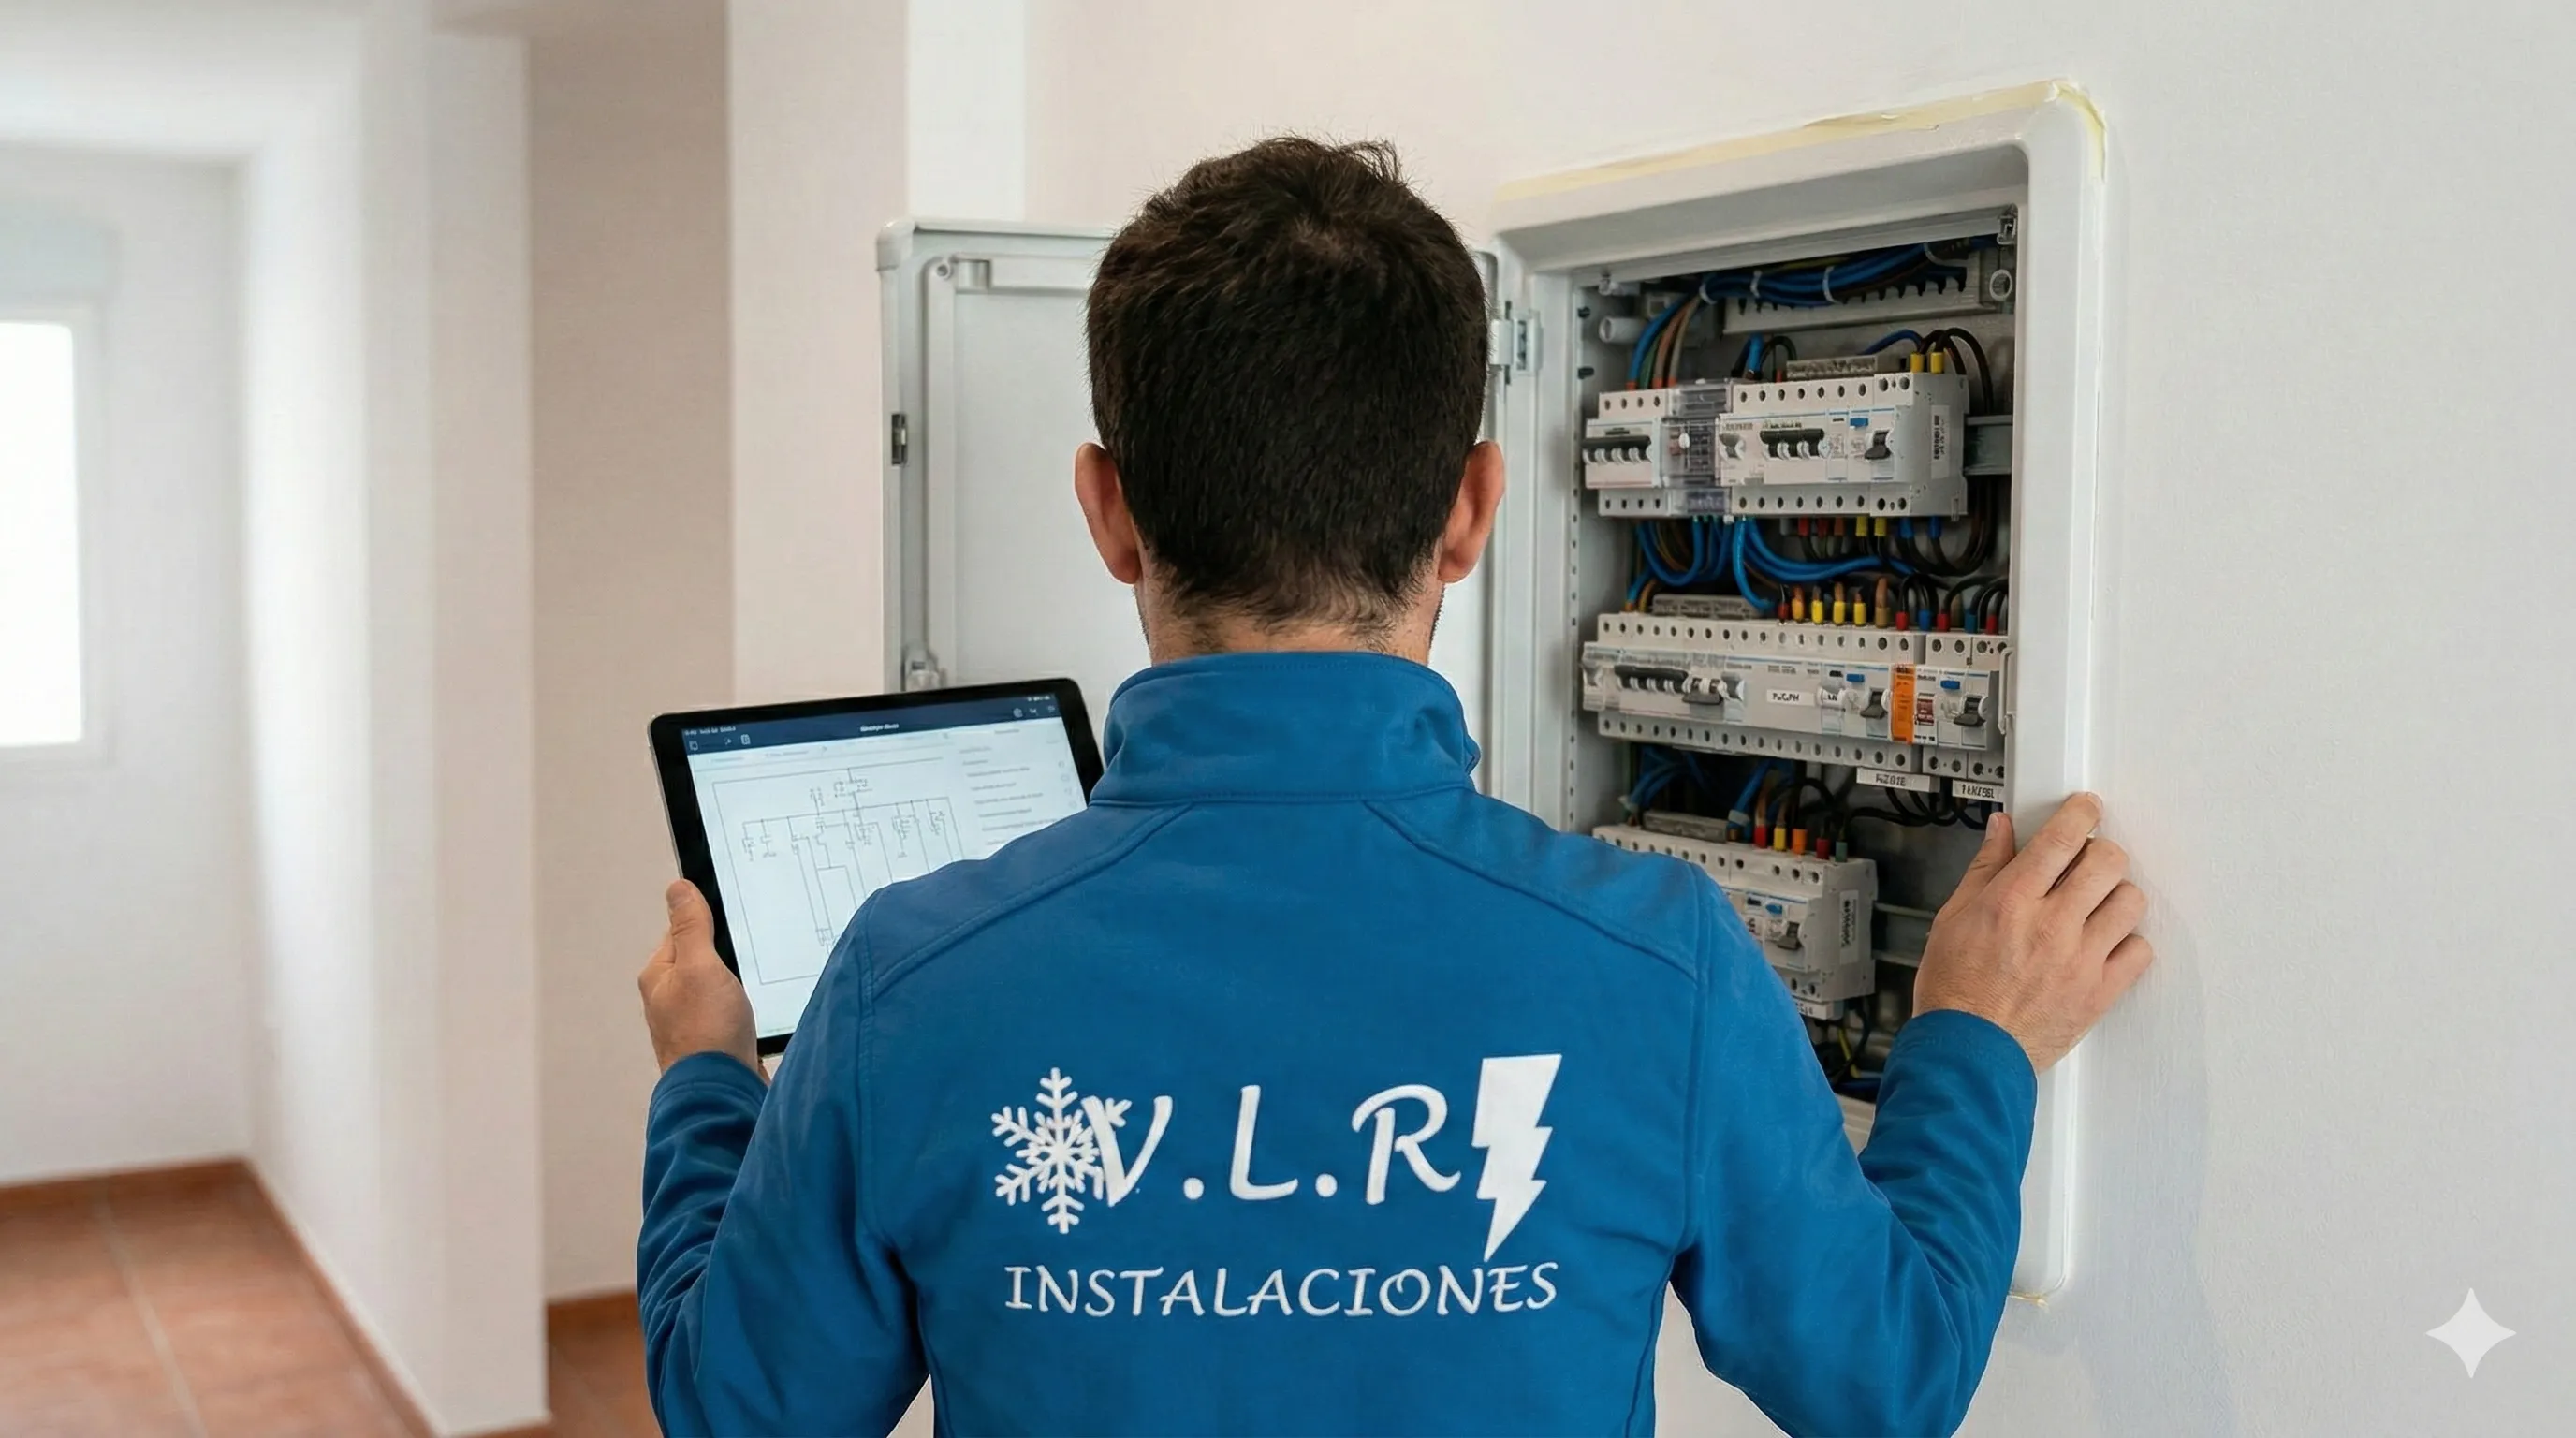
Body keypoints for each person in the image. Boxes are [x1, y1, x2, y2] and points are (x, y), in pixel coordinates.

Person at [632, 138, 2150, 1438]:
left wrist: (707, 1079)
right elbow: (1884, 1380)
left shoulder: (908, 985)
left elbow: (741, 1413)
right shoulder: (1663, 965)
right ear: (1474, 510)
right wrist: (1975, 1037)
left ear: (1108, 512)